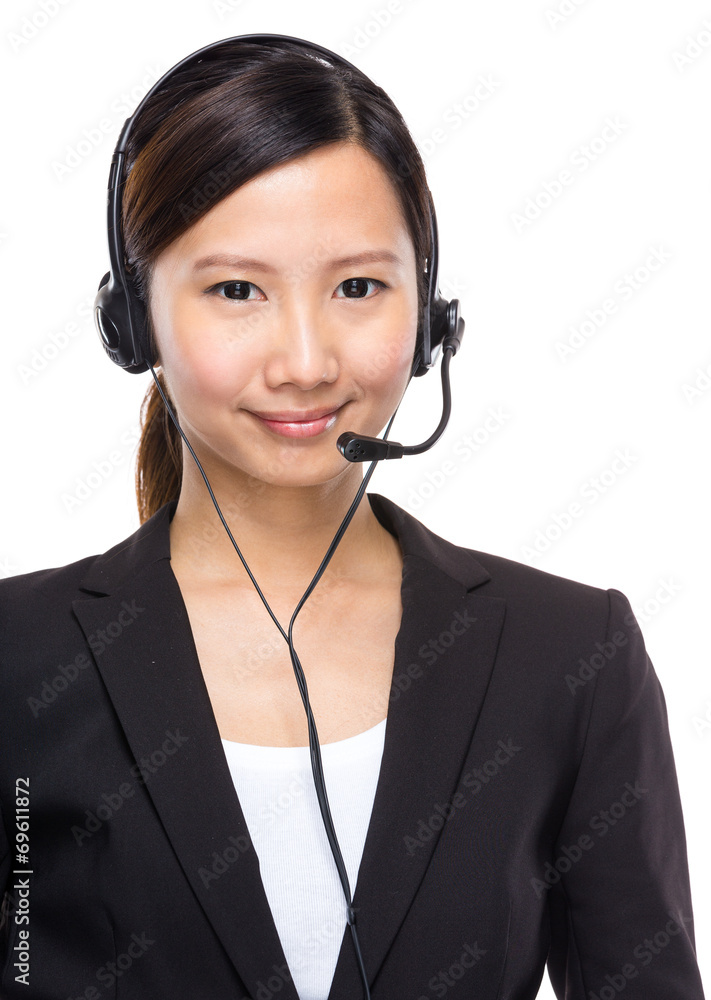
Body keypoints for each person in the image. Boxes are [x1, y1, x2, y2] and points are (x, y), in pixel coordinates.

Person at [0, 33, 705, 1000]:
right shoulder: (17, 656)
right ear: (133, 321)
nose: (305, 362)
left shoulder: (572, 655)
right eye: (236, 290)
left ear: (430, 321)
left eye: (358, 287)